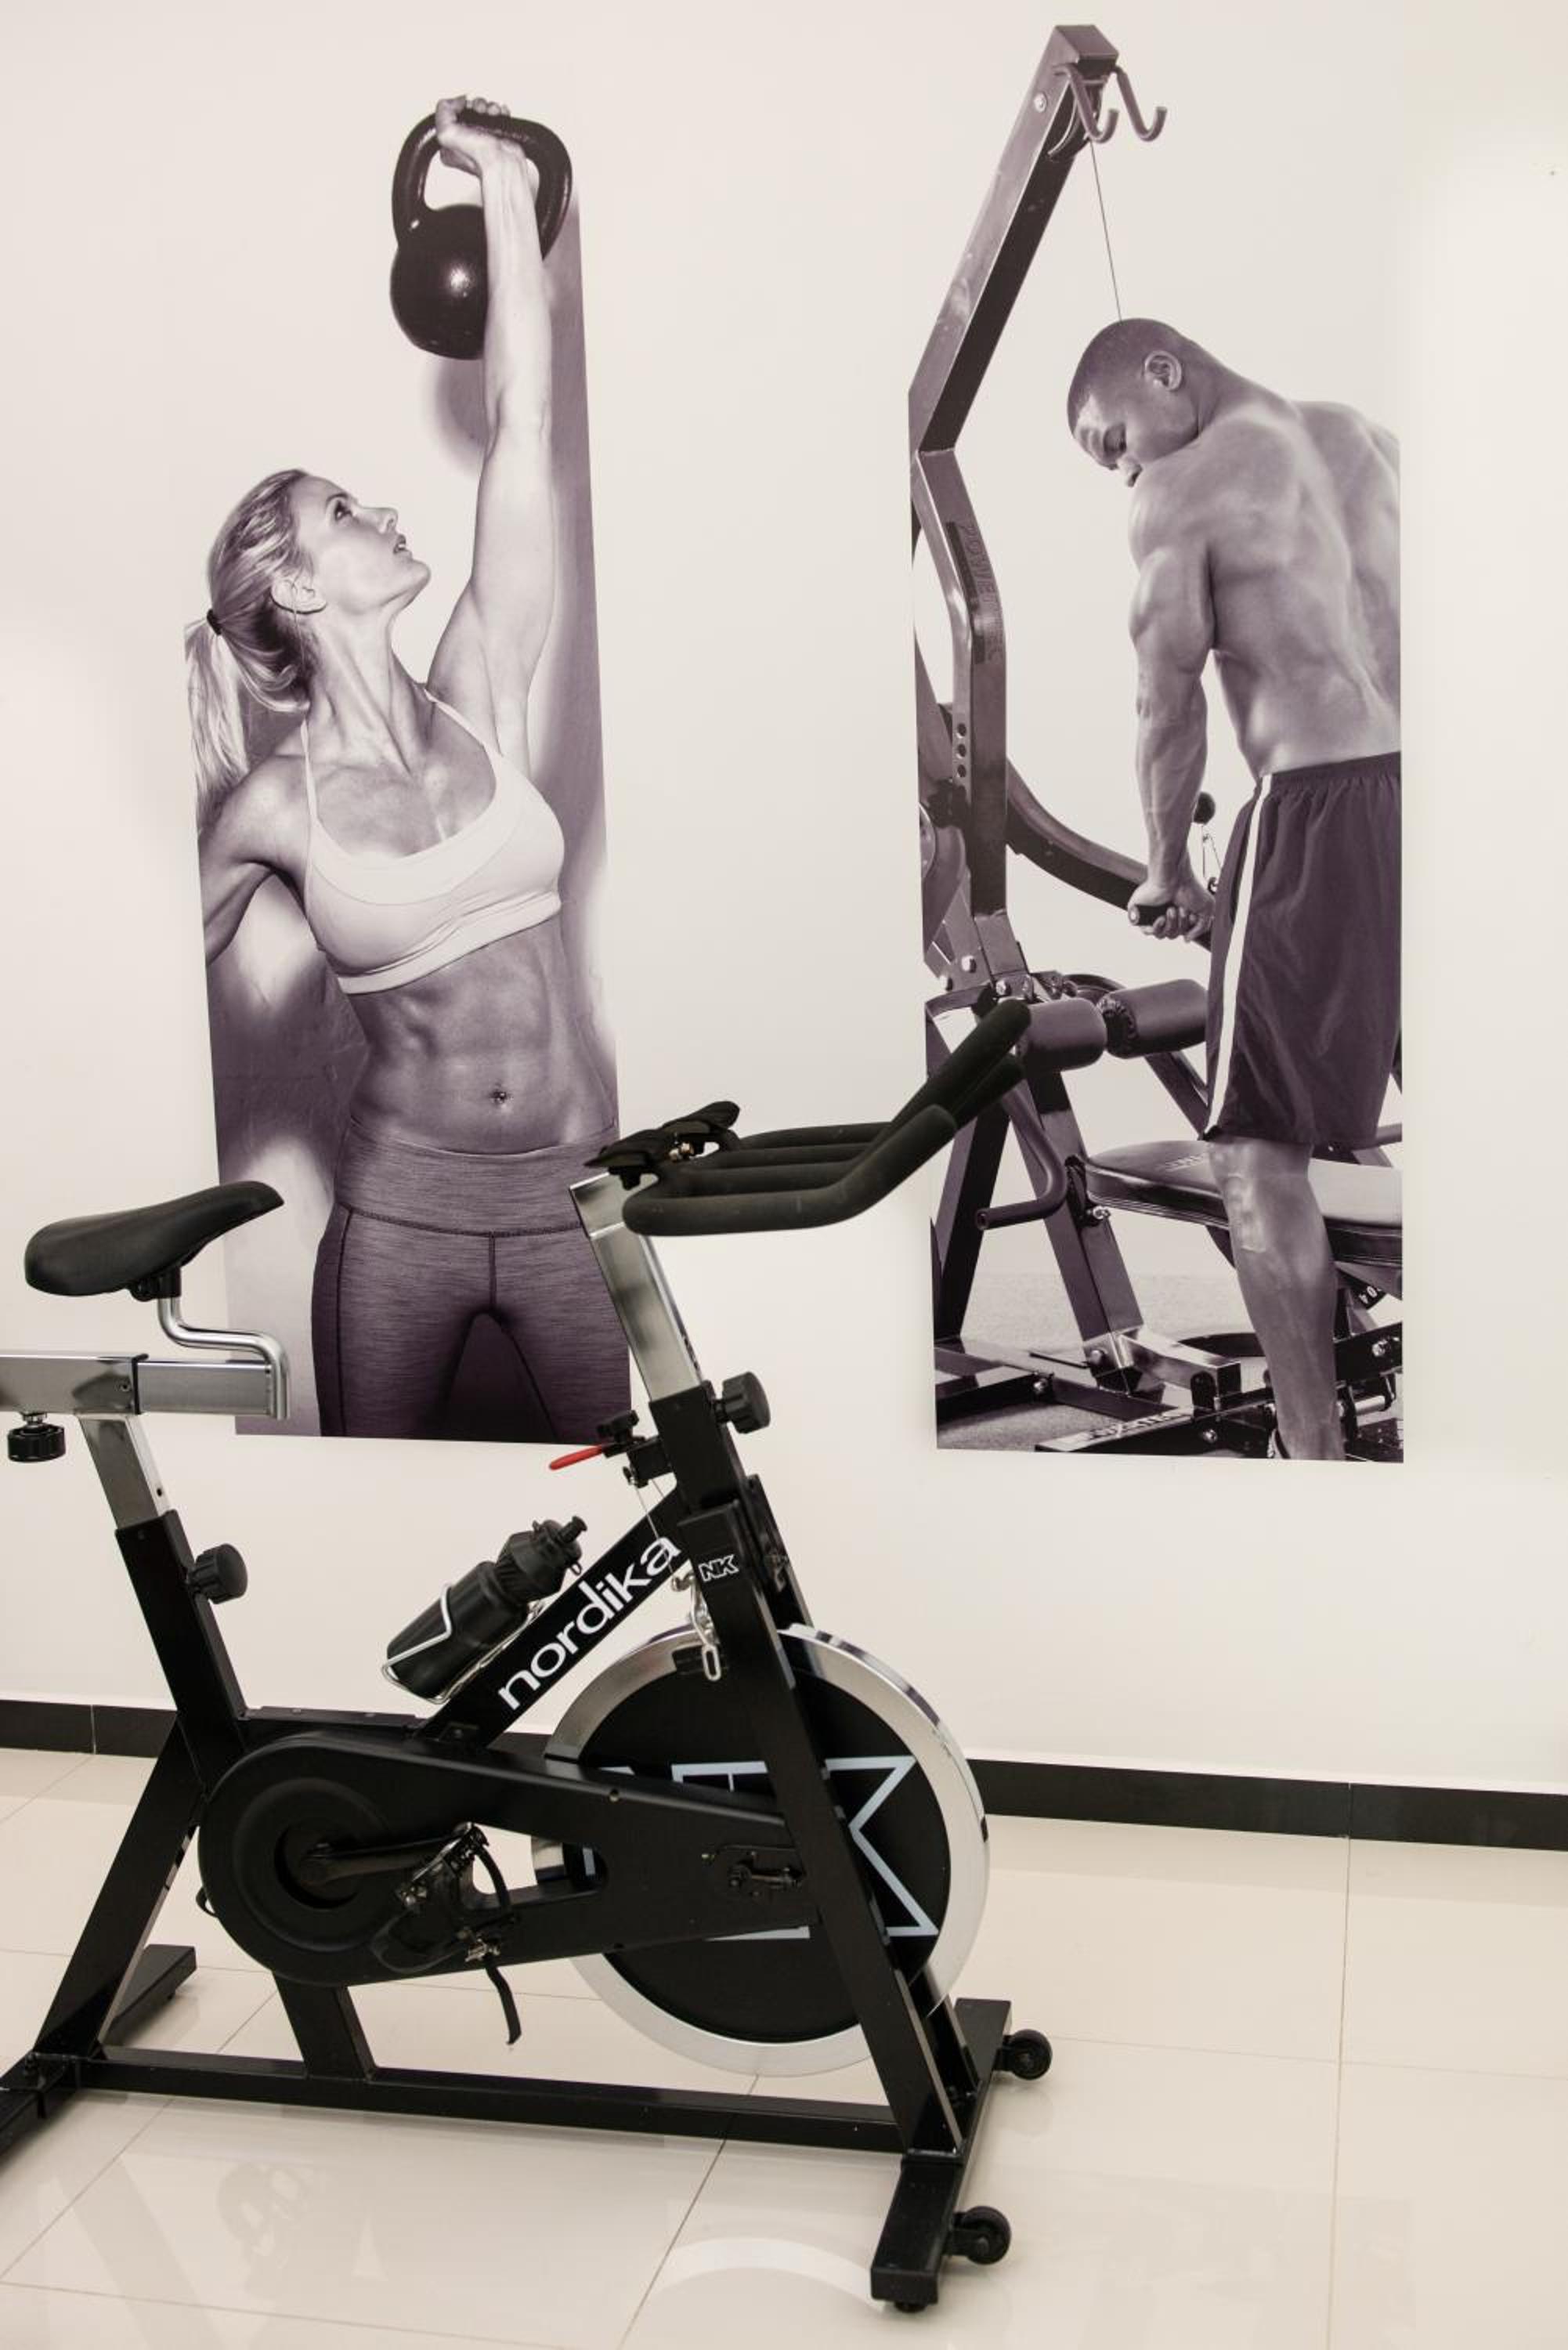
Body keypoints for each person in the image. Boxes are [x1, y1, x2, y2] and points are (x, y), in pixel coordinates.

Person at [187, 95, 627, 1444]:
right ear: (298, 589)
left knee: (654, 1506)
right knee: (370, 1523)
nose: (381, 509)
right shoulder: (274, 809)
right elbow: (121, 976)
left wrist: (501, 185)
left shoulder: (482, 683)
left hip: (577, 1196)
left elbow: (524, 421)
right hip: (402, 1211)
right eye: (343, 512)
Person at [1068, 319, 1400, 1461]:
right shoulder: (1364, 440)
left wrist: (1166, 867)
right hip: (1438, 797)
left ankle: (1312, 1460)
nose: (1122, 470)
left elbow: (1166, 703)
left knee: (1256, 1162)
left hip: (1316, 808)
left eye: (1111, 440)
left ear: (1164, 371)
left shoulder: (1178, 489)